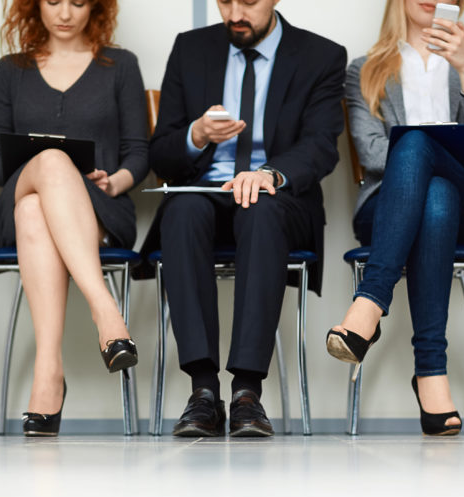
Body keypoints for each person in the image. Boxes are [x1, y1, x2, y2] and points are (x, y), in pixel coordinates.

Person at [141, 0, 346, 437]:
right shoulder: (190, 49)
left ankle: (247, 393)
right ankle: (202, 392)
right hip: (205, 189)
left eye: (248, 2)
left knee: (261, 209)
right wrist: (195, 136)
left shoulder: (321, 56)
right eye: (224, 1)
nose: (234, 12)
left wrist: (269, 173)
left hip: (277, 195)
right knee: (181, 211)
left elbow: (321, 146)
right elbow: (159, 152)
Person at [326, 0, 464, 436]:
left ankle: (369, 303)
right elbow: (370, 154)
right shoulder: (365, 67)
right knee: (436, 192)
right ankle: (431, 375)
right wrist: (442, 154)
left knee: (414, 152)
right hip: (386, 208)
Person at [0, 0, 148, 437]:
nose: (65, 12)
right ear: (33, 5)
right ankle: (106, 315)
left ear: (96, 6)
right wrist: (44, 165)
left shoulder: (121, 66)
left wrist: (113, 182)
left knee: (36, 211)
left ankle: (48, 373)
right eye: (53, 0)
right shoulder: (9, 70)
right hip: (15, 201)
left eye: (77, 1)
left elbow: (139, 153)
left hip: (98, 208)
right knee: (50, 165)